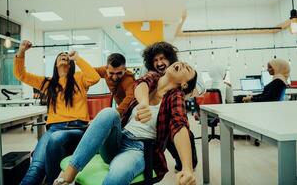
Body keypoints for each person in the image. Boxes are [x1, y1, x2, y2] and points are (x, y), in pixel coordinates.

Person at [54, 62, 197, 185]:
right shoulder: (153, 77)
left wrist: (187, 168)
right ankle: (68, 176)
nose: (183, 64)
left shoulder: (175, 97)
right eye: (182, 62)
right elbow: (140, 85)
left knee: (117, 175)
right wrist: (144, 103)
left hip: (137, 149)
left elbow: (180, 126)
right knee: (109, 113)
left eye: (188, 68)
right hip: (118, 139)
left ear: (184, 84)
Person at [14, 40, 100, 185]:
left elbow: (95, 77)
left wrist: (77, 58)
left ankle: (54, 182)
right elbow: (21, 75)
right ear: (55, 64)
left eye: (66, 55)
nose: (64, 56)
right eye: (60, 55)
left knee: (55, 139)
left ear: (70, 63)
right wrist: (21, 52)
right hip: (54, 128)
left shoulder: (79, 78)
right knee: (35, 168)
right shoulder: (48, 83)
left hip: (77, 128)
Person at [141, 41, 198, 172]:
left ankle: (186, 164)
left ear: (170, 59)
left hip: (172, 113)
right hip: (151, 119)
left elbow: (197, 86)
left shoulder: (180, 71)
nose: (159, 63)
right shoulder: (150, 75)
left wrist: (185, 92)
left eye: (162, 58)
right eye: (155, 60)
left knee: (181, 132)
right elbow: (141, 86)